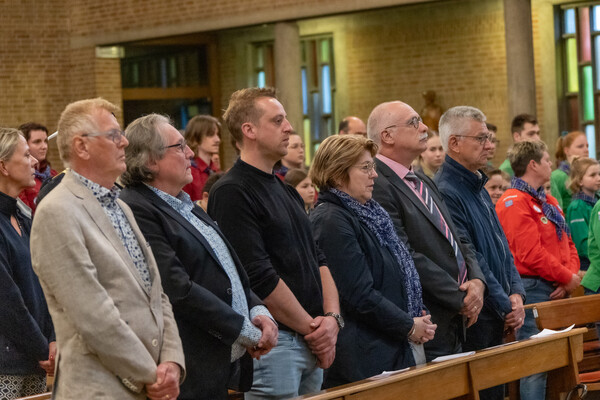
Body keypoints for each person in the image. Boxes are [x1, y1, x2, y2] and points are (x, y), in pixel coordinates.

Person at [30, 98, 185, 400]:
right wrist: (152, 374)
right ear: (82, 147)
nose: (125, 141)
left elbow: (156, 293)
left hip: (150, 383)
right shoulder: (57, 211)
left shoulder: (122, 206)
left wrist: (172, 362)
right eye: (113, 134)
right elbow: (93, 315)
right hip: (100, 389)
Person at [119, 114, 278, 399]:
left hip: (216, 362)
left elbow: (227, 265)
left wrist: (257, 310)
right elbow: (176, 287)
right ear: (150, 161)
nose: (190, 153)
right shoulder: (138, 207)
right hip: (186, 364)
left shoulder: (184, 203)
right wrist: (243, 329)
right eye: (180, 147)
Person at [208, 87, 340, 399]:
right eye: (278, 120)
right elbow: (256, 276)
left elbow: (318, 259)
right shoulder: (232, 191)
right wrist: (314, 330)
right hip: (276, 343)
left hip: (312, 337)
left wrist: (332, 320)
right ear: (249, 130)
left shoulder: (288, 191)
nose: (289, 127)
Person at [309, 134, 436, 387]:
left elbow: (390, 274)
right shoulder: (331, 220)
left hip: (388, 344)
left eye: (373, 166)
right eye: (365, 167)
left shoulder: (369, 214)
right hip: (364, 356)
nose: (374, 175)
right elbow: (358, 294)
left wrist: (412, 308)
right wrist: (408, 325)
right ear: (336, 175)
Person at [368, 100, 486, 362]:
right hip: (428, 315)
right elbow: (404, 254)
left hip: (457, 315)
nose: (423, 127)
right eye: (413, 122)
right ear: (387, 135)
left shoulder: (421, 180)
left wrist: (477, 281)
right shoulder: (376, 183)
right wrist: (460, 297)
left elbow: (457, 238)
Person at [436, 106, 525, 400]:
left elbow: (501, 246)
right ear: (455, 144)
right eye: (481, 138)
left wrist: (516, 292)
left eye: (489, 138)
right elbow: (469, 254)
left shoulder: (478, 185)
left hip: (497, 305)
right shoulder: (446, 190)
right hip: (479, 314)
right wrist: (505, 303)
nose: (489, 145)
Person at [496, 141, 580, 400]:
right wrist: (567, 277)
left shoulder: (548, 200)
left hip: (556, 287)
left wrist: (570, 278)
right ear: (532, 164)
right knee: (536, 364)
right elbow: (529, 254)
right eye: (546, 160)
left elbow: (568, 242)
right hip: (533, 288)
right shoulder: (513, 201)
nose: (551, 164)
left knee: (558, 363)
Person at [0, 128, 55, 399]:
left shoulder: (23, 218)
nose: (35, 161)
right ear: (4, 166)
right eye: (26, 155)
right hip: (6, 364)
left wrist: (53, 338)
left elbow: (45, 282)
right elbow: (6, 299)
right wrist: (42, 348)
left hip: (34, 358)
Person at [566, 157, 600, 271]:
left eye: (599, 174)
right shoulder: (577, 208)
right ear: (580, 180)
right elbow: (583, 244)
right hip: (589, 265)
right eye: (593, 175)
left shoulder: (597, 201)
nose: (598, 178)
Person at [17, 123, 58, 213]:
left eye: (45, 141)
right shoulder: (21, 179)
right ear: (24, 145)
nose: (44, 146)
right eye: (37, 142)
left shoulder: (53, 174)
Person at [182, 115, 221, 201]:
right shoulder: (188, 171)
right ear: (195, 138)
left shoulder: (214, 169)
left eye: (217, 134)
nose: (217, 139)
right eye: (210, 135)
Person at [551, 130, 589, 210]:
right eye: (580, 146)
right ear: (567, 151)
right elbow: (553, 206)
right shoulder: (557, 176)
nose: (586, 150)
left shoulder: (590, 174)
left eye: (587, 146)